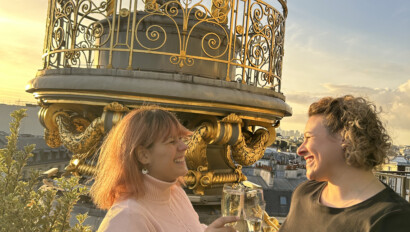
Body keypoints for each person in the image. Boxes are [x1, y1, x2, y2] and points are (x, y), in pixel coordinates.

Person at [91, 106, 238, 232]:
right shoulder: (127, 217)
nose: (184, 146)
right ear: (143, 155)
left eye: (181, 139)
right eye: (171, 141)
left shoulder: (175, 193)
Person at [279, 95, 410, 232]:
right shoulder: (304, 194)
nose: (300, 150)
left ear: (345, 137)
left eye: (308, 138)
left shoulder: (393, 219)